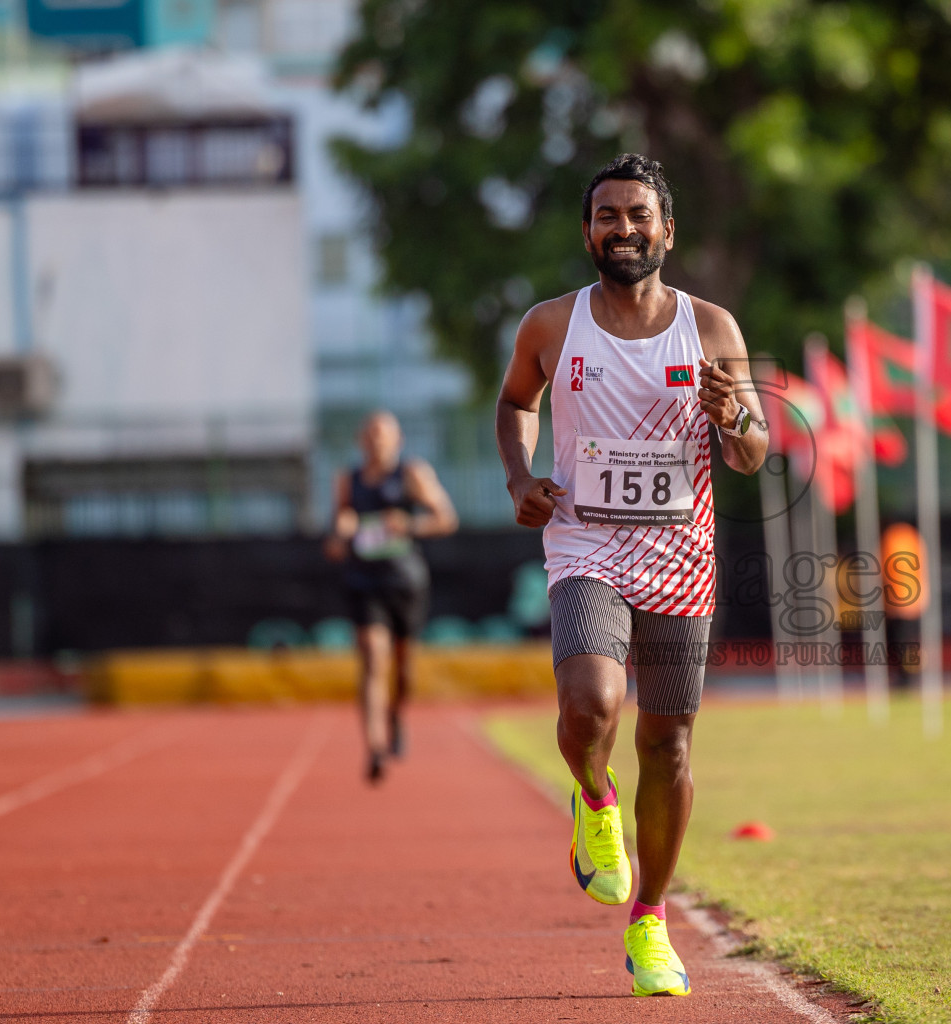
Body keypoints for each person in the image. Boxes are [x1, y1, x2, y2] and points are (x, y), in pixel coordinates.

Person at [494, 154, 768, 998]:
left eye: (638, 215)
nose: (624, 229)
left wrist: (736, 419)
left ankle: (648, 921)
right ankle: (594, 799)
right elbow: (515, 403)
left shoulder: (712, 327)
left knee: (669, 742)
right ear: (588, 233)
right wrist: (520, 476)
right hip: (584, 544)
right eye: (607, 216)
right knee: (590, 707)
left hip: (681, 554)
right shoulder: (551, 325)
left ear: (666, 230)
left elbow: (752, 453)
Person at [324, 411, 458, 784]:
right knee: (370, 655)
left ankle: (395, 714)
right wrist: (342, 533)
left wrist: (410, 524)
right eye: (369, 435)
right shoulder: (347, 482)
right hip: (362, 582)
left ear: (397, 440)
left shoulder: (412, 474)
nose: (376, 442)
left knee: (402, 669)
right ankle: (375, 746)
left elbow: (447, 518)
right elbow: (334, 543)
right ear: (359, 441)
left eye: (383, 435)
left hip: (404, 583)